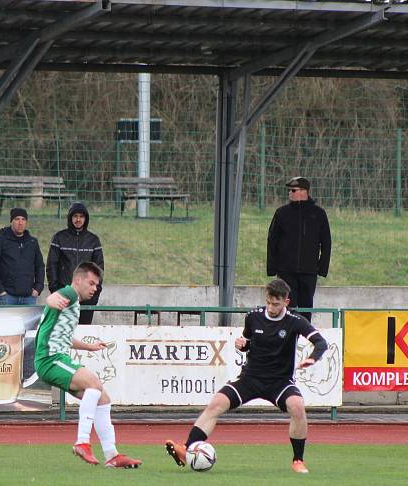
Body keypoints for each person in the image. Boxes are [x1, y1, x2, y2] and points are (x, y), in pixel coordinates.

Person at [165, 278, 327, 474]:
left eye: (276, 304)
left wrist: (312, 359)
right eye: (268, 302)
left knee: (298, 407)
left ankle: (298, 460)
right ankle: (185, 448)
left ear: (286, 302)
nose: (270, 307)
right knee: (216, 403)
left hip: (279, 382)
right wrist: (243, 345)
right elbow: (249, 342)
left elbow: (321, 343)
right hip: (250, 378)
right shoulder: (253, 317)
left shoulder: (296, 321)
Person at [35, 261, 142, 469]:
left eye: (97, 285)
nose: (94, 288)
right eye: (91, 283)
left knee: (102, 398)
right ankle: (82, 442)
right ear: (78, 280)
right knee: (93, 383)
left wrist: (88, 347)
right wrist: (50, 298)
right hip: (50, 359)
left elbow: (63, 335)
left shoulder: (72, 303)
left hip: (54, 357)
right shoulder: (70, 293)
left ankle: (112, 455)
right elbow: (53, 298)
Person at [266, 176, 331, 322]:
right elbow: (272, 241)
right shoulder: (282, 213)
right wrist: (272, 268)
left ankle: (305, 335)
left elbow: (326, 242)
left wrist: (322, 268)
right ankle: (287, 336)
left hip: (309, 270)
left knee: (306, 306)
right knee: (287, 307)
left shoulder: (318, 214)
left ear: (304, 191)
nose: (290, 193)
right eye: (289, 190)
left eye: (293, 190)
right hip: (286, 270)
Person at [47, 202, 104, 324]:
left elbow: (99, 269)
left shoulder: (93, 240)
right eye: (75, 216)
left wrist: (95, 294)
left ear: (86, 219)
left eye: (81, 216)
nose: (78, 219)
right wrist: (56, 291)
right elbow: (52, 265)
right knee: (64, 334)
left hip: (87, 298)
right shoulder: (59, 238)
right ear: (70, 218)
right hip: (65, 296)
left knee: (83, 335)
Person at [0, 207, 44, 305]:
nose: (20, 223)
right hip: (6, 297)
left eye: (23, 219)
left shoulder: (32, 242)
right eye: (17, 219)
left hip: (29, 297)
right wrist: (0, 290)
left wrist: (38, 288)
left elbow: (40, 266)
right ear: (11, 221)